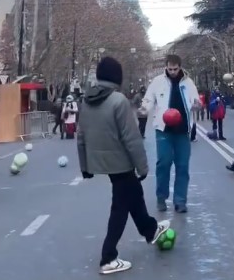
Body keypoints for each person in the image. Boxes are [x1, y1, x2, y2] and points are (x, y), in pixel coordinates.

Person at [77, 56, 170, 275]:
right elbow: (132, 138)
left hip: (101, 161)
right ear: (117, 77)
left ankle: (150, 230)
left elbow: (81, 136)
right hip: (121, 161)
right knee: (120, 206)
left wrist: (85, 166)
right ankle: (108, 257)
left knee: (133, 194)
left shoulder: (86, 101)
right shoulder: (118, 101)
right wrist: (143, 166)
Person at [139, 54, 200, 213]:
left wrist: (197, 105)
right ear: (166, 67)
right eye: (169, 69)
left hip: (183, 130)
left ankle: (180, 201)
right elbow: (149, 99)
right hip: (163, 129)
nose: (172, 71)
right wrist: (144, 108)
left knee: (182, 166)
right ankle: (161, 197)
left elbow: (195, 101)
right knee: (163, 163)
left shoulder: (188, 82)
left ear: (180, 67)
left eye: (175, 69)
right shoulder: (158, 81)